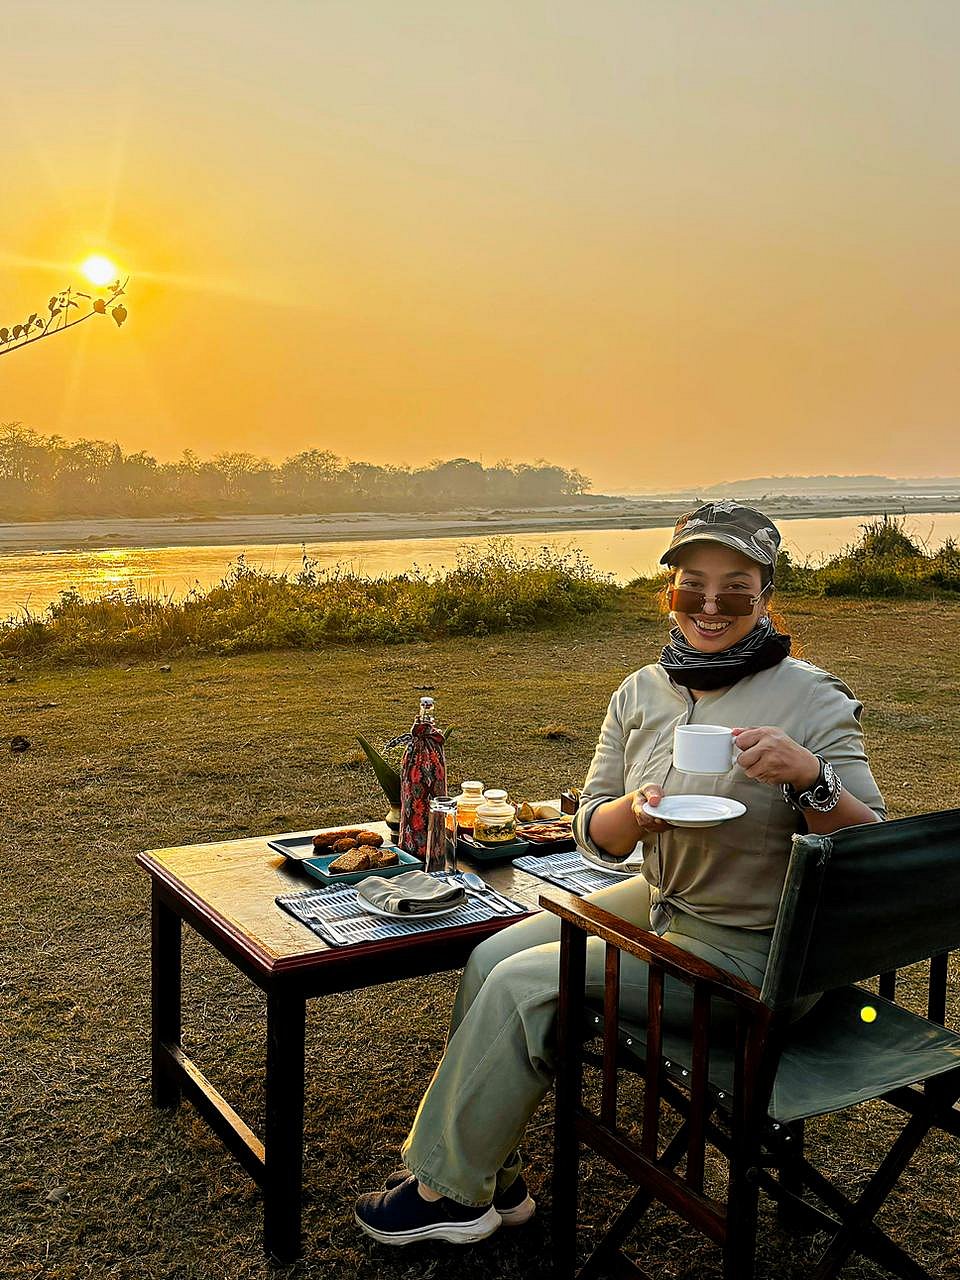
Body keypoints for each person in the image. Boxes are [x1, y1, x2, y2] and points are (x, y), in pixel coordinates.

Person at [354, 500, 885, 1247]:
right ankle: (493, 1176)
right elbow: (594, 831)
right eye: (692, 585)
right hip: (665, 898)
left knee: (525, 983)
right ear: (669, 592)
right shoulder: (641, 693)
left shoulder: (812, 697)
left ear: (767, 597)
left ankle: (447, 1190)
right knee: (492, 954)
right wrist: (633, 813)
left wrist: (811, 779)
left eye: (735, 589)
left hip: (760, 950)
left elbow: (868, 851)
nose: (710, 605)